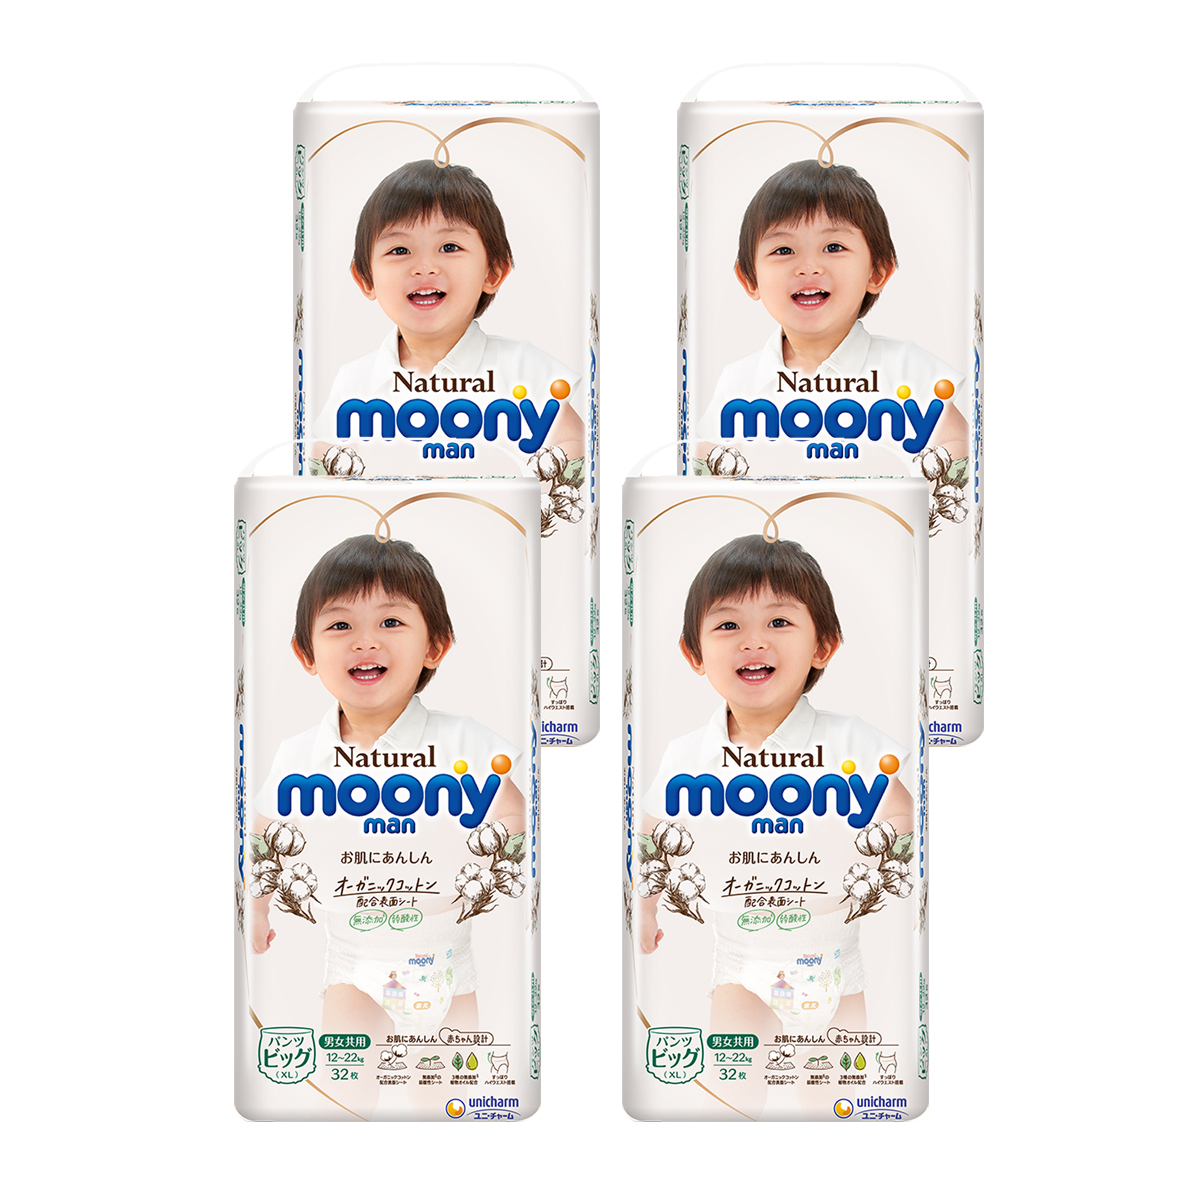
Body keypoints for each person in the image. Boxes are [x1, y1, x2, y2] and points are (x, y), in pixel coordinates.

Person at [636, 534, 914, 1116]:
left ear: (823, 645)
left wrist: (876, 871)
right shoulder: (686, 756)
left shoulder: (853, 744)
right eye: (728, 625)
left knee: (836, 1098)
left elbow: (904, 819)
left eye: (780, 622)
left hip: (833, 955)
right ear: (693, 653)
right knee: (732, 1095)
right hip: (742, 958)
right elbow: (652, 841)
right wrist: (645, 909)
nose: (754, 641)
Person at [247, 534, 526, 1114]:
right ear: (305, 652)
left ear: (435, 645)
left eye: (391, 622)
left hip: (446, 958)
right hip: (354, 960)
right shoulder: (299, 756)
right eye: (340, 625)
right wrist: (257, 909)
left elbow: (517, 819)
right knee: (344, 1095)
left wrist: (491, 861)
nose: (365, 641)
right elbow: (263, 840)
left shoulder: (464, 743)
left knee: (449, 1102)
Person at [694, 160, 968, 491]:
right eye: (784, 249)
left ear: (877, 271)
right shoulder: (739, 381)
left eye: (834, 247)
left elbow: (962, 452)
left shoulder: (908, 369)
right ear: (750, 279)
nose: (808, 266)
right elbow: (703, 465)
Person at [310, 159, 585, 484]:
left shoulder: (522, 368)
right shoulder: (355, 381)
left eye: (449, 247)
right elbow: (318, 459)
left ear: (493, 271)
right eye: (399, 250)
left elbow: (577, 446)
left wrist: (521, 484)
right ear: (365, 279)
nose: (424, 266)